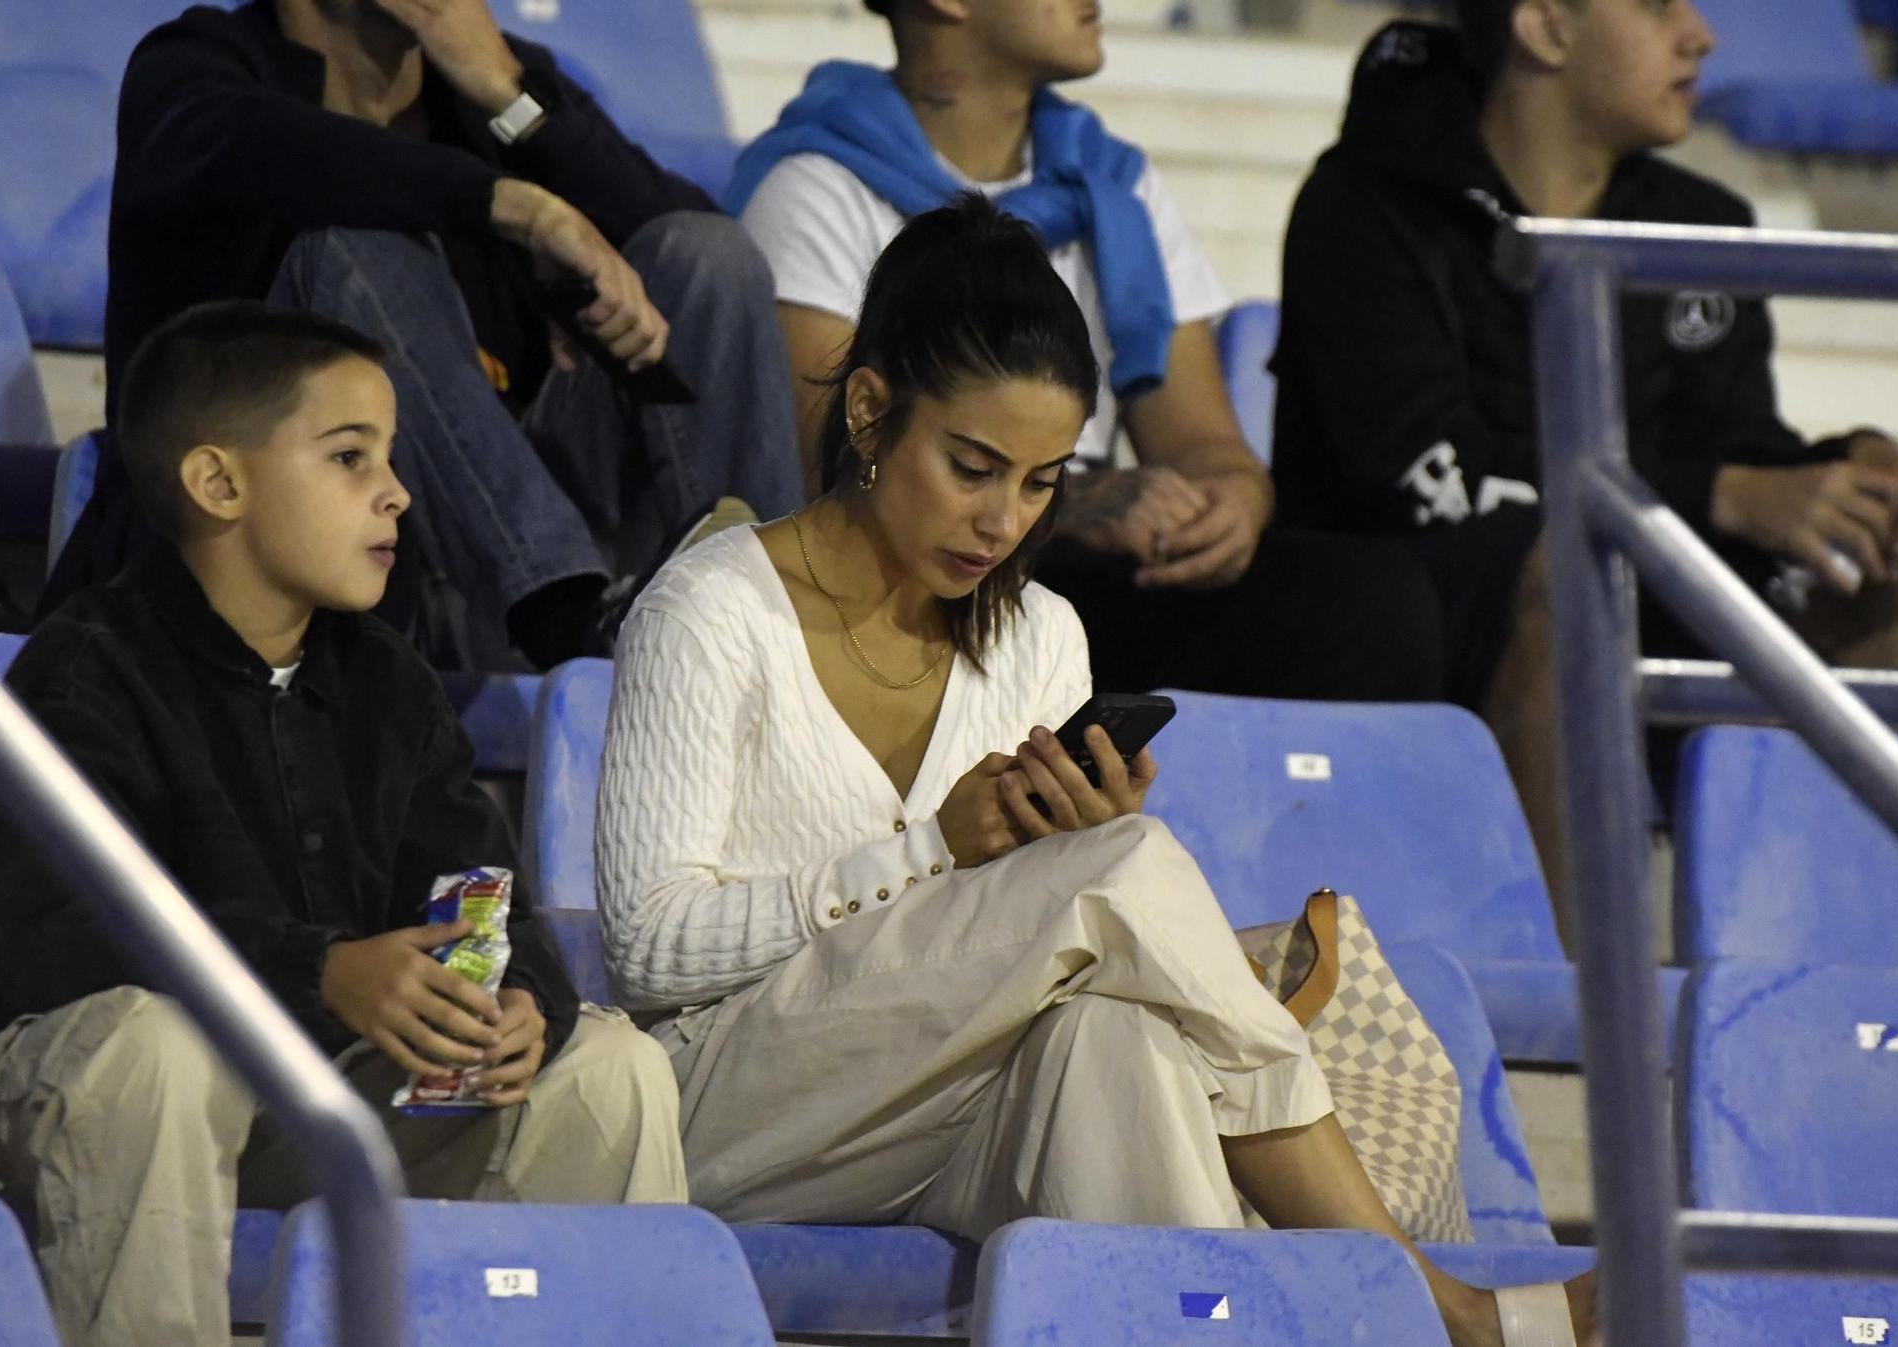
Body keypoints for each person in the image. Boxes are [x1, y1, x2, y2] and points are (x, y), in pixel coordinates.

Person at [597, 197, 1597, 1347]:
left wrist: (1061, 843)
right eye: (972, 467)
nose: (1001, 520)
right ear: (869, 412)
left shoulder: (1038, 635)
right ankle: (1434, 1306)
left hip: (947, 1103)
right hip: (736, 1106)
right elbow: (649, 952)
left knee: (1119, 1043)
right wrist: (935, 852)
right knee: (1115, 879)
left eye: (1038, 482)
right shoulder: (710, 609)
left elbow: (1024, 939)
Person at [0, 303, 687, 1347]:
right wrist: (321, 969)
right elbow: (62, 950)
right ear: (218, 484)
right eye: (348, 457)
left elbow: (484, 907)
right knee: (156, 1051)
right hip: (41, 1108)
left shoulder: (390, 683)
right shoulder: (86, 669)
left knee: (607, 1071)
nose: (397, 493)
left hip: (288, 1109)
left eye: (390, 456)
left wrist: (515, 1006)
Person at [1270, 0, 1898, 921]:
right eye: (1659, 6)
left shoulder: (1702, 223)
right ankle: (1588, 1026)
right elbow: (1421, 473)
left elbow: (1740, 453)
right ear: (1546, 28)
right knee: (1566, 571)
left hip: (1636, 601)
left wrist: (1849, 476)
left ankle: (1874, 998)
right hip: (1410, 621)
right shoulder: (1365, 205)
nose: (1701, 35)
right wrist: (1726, 492)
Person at [728, 0, 1449, 705]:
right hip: (929, 574)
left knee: (1372, 601)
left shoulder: (1115, 187)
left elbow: (1207, 446)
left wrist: (1226, 507)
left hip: (1085, 574)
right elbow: (841, 472)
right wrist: (1061, 508)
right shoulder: (817, 189)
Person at [63, 0, 803, 669]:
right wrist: (511, 206)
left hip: (535, 508)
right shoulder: (194, 69)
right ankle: (565, 613)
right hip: (317, 562)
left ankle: (770, 629)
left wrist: (513, 97)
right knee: (357, 248)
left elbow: (689, 249)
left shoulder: (484, 85)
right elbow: (292, 152)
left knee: (707, 257)